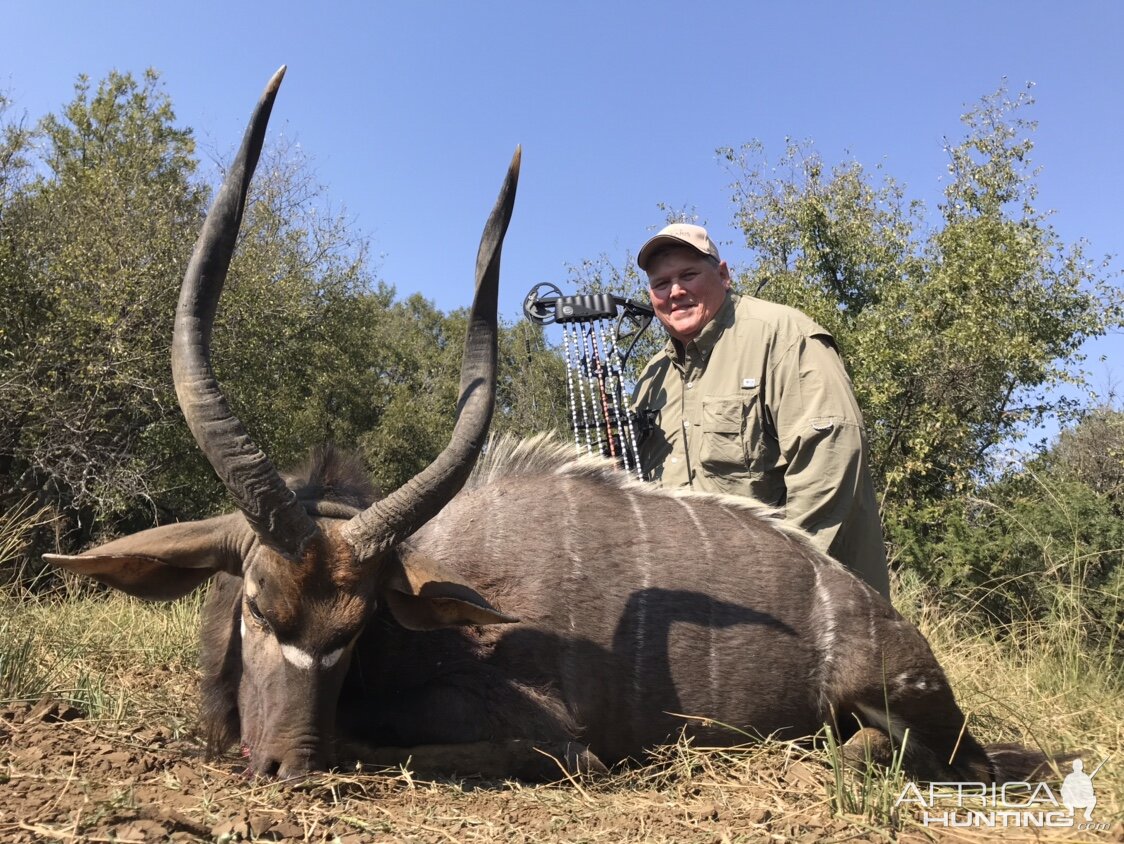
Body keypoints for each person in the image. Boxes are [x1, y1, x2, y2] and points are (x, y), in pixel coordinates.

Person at [630, 223, 891, 599]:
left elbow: (829, 467)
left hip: (806, 609)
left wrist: (779, 591)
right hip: (702, 612)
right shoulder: (653, 376)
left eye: (688, 275)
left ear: (723, 275)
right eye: (661, 283)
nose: (675, 292)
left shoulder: (784, 336)